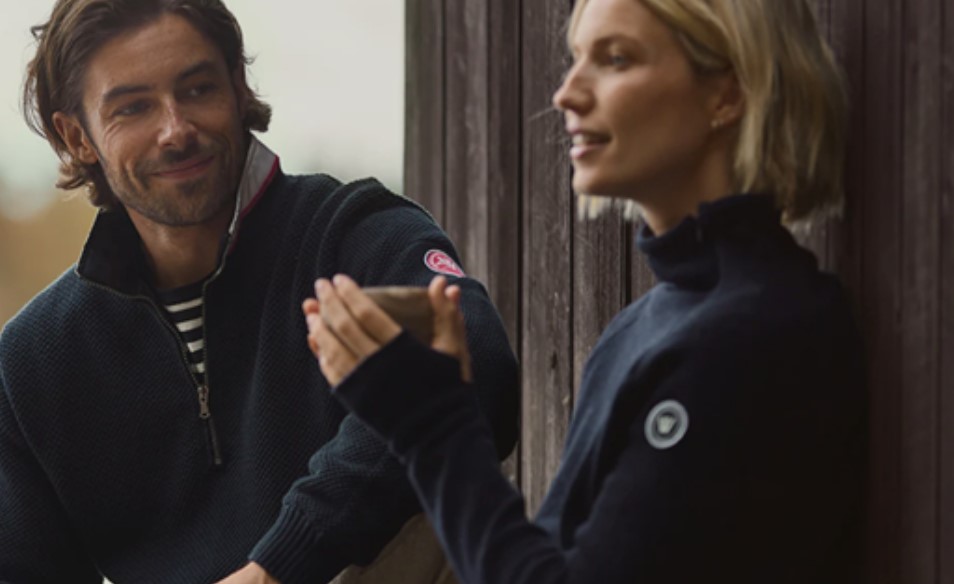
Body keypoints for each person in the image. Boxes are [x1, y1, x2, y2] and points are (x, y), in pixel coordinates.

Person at [306, 0, 866, 582]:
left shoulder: (756, 336)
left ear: (726, 94)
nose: (566, 94)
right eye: (576, 60)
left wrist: (429, 422)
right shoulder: (651, 324)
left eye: (615, 59)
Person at [0, 1, 519, 582]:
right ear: (78, 136)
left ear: (238, 88)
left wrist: (280, 564)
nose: (176, 130)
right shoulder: (34, 360)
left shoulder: (351, 233)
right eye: (134, 107)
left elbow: (479, 361)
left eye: (197, 89)